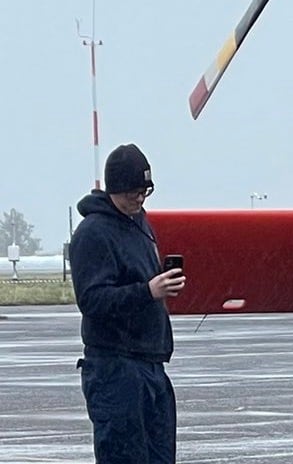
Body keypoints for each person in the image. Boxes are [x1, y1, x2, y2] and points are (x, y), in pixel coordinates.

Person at [69, 143, 185, 464]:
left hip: (151, 363)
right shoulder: (93, 233)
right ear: (115, 189)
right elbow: (92, 300)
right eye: (133, 192)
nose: (140, 199)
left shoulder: (140, 224)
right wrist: (147, 291)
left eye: (145, 191)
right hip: (115, 368)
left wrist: (160, 288)